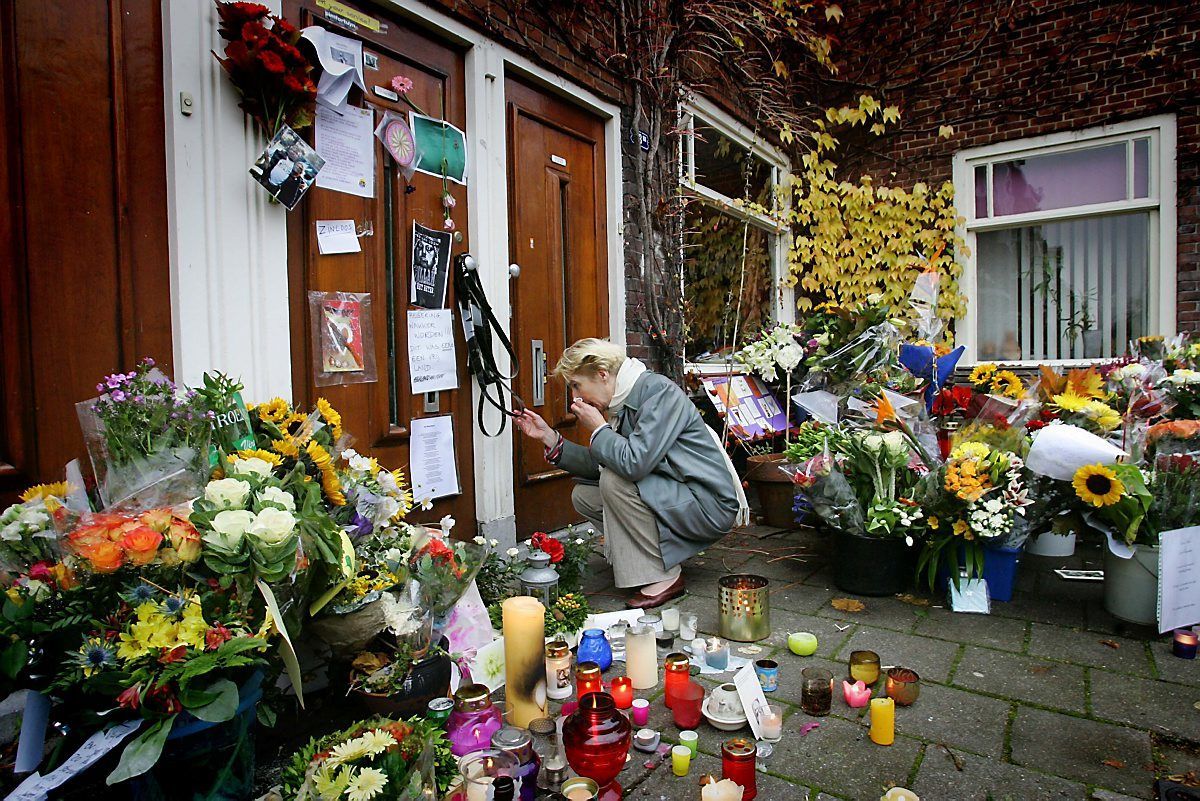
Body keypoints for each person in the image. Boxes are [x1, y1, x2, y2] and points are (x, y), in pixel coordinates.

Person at [515, 338, 748, 608]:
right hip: (677, 493)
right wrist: (550, 438)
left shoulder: (657, 393)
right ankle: (649, 560)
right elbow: (604, 463)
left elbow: (633, 464)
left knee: (615, 482)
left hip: (707, 504)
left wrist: (600, 430)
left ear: (602, 374)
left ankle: (665, 576)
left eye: (577, 385)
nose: (575, 398)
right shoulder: (622, 401)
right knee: (585, 495)